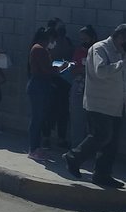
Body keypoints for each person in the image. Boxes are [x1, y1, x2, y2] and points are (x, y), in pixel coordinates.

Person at [63, 24, 126, 189]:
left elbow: (124, 78)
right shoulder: (99, 49)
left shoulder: (121, 53)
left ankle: (102, 174)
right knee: (101, 135)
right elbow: (100, 71)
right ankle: (73, 157)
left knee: (112, 143)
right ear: (120, 38)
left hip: (116, 104)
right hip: (99, 103)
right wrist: (124, 62)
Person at [28, 34, 74, 162]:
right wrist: (60, 68)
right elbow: (46, 69)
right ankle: (34, 148)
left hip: (40, 85)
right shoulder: (40, 50)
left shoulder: (39, 49)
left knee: (39, 118)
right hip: (39, 85)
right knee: (37, 119)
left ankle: (36, 147)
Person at [43, 19, 74, 148]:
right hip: (51, 80)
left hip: (65, 81)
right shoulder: (47, 43)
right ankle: (46, 137)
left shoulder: (67, 41)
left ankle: (61, 138)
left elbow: (71, 56)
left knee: (63, 111)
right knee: (49, 111)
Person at [69, 26, 98, 148]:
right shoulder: (79, 52)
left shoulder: (98, 51)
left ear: (92, 38)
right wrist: (82, 70)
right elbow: (73, 69)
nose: (83, 42)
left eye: (85, 39)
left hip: (94, 89)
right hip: (79, 88)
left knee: (92, 122)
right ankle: (76, 147)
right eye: (81, 39)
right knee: (77, 119)